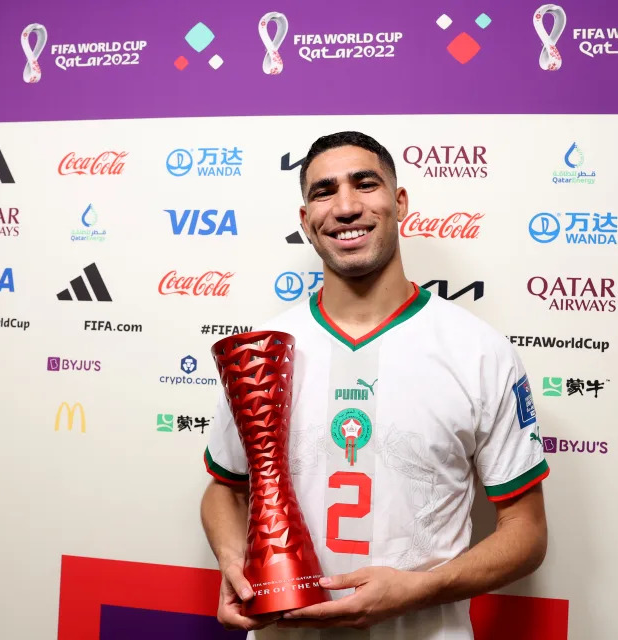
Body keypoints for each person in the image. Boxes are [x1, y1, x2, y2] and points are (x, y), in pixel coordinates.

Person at [200, 131, 549, 639]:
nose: (345, 207)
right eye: (324, 192)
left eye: (365, 184)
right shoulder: (265, 352)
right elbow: (224, 490)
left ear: (399, 201)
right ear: (305, 221)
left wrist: (420, 588)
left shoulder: (478, 351)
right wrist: (234, 562)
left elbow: (527, 532)